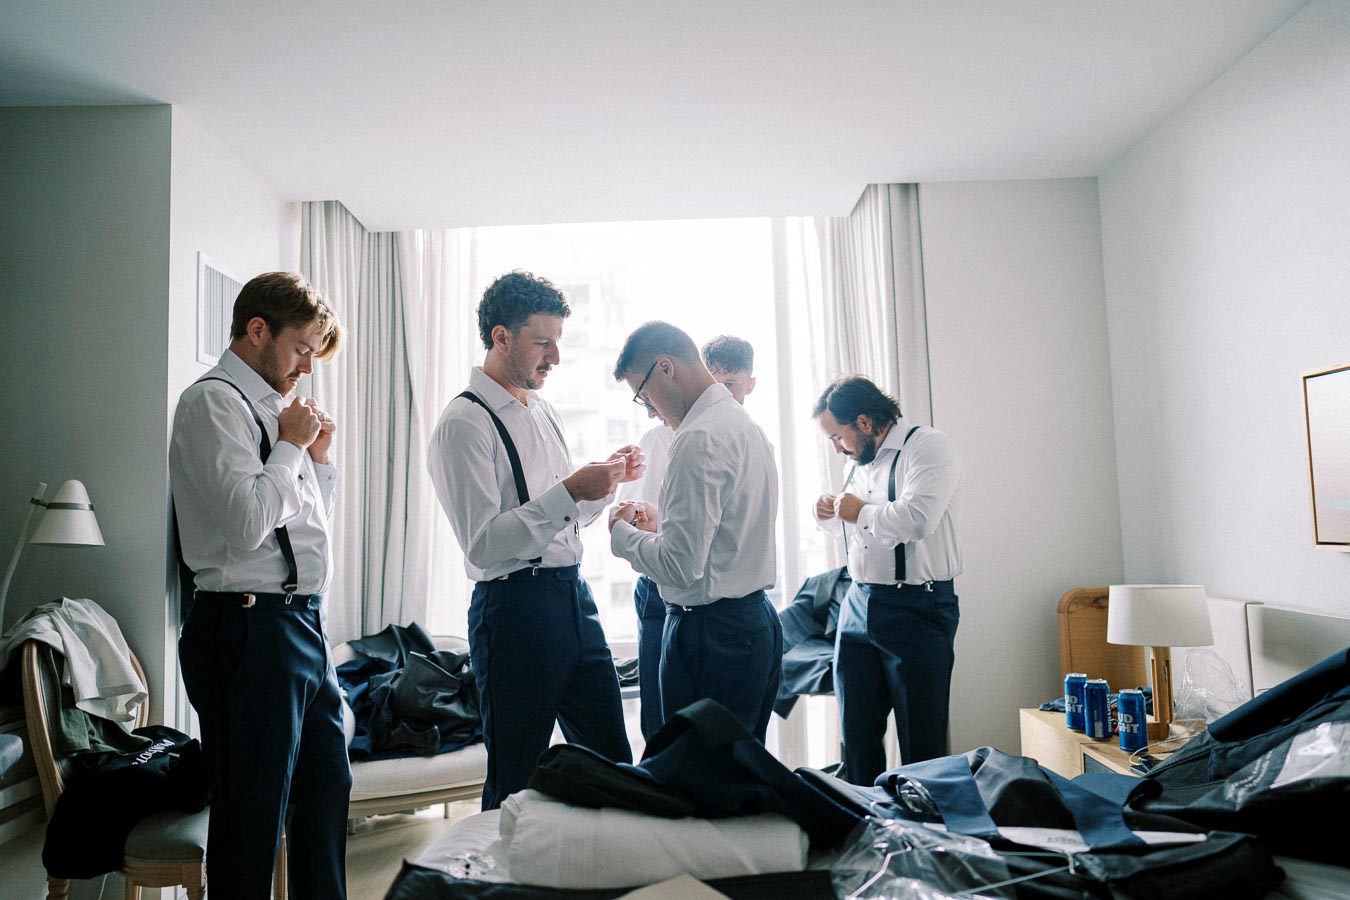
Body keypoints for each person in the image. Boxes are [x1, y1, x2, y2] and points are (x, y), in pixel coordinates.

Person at [427, 270, 640, 810]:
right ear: (501, 337)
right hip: (514, 609)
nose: (555, 357)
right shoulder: (463, 424)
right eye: (543, 342)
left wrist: (602, 484)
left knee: (613, 761)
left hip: (574, 598)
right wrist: (570, 492)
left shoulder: (543, 412)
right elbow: (483, 543)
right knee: (516, 777)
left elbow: (562, 521)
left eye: (558, 343)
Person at [170, 271, 350, 899]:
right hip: (246, 628)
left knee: (326, 792)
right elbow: (248, 524)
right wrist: (292, 448)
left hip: (302, 625)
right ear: (256, 330)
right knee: (251, 821)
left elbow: (304, 531)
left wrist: (316, 458)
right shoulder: (211, 403)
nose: (306, 365)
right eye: (301, 347)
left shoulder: (283, 415)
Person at [609, 322, 781, 742]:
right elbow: (729, 535)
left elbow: (681, 567)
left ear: (665, 367)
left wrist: (621, 535)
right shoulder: (744, 426)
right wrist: (661, 527)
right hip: (754, 624)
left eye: (644, 396)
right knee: (737, 780)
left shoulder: (697, 437)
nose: (649, 411)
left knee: (697, 785)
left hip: (711, 635)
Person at [812, 375, 962, 784]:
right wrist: (828, 515)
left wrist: (857, 511)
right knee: (856, 736)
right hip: (858, 604)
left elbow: (916, 520)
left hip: (918, 608)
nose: (837, 448)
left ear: (863, 422)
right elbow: (861, 531)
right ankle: (867, 834)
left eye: (837, 437)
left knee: (922, 744)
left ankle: (924, 837)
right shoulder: (859, 464)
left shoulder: (928, 447)